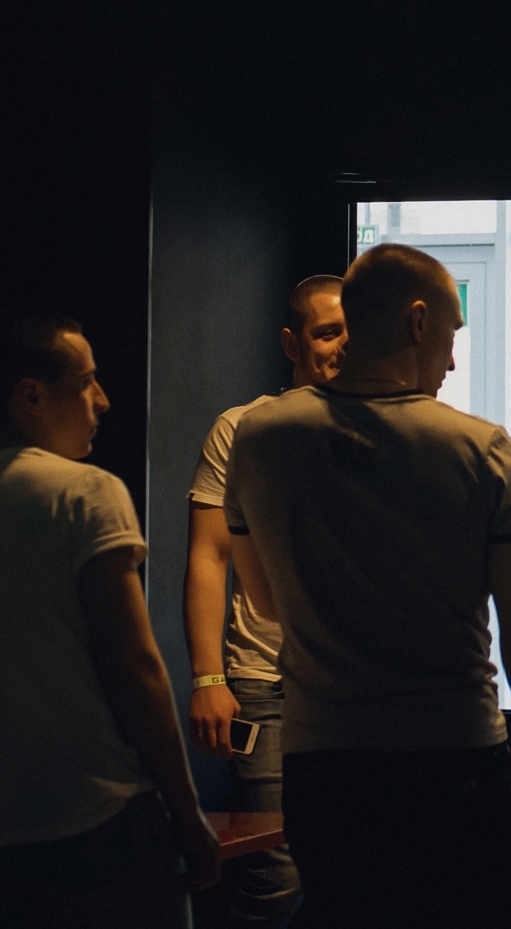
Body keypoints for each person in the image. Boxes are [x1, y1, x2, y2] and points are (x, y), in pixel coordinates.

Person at [223, 244, 511, 928]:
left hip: (323, 764)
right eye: (451, 333)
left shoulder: (262, 436)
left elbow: (264, 600)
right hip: (455, 760)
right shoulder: (480, 448)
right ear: (418, 321)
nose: (451, 361)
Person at [0, 310, 220, 927]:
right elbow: (135, 669)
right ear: (31, 397)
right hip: (92, 824)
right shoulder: (85, 492)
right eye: (85, 382)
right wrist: (186, 812)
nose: (103, 400)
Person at [182, 274, 345, 929]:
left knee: (349, 868)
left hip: (356, 689)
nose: (342, 345)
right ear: (291, 342)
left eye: (352, 331)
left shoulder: (384, 426)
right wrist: (208, 677)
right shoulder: (243, 427)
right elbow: (208, 556)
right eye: (327, 332)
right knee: (279, 874)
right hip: (265, 683)